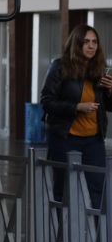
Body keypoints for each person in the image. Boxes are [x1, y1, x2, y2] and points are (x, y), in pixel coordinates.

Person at [40, 24, 112, 203]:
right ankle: (61, 231)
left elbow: (108, 107)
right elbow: (47, 102)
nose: (91, 46)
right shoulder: (59, 66)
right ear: (76, 44)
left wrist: (110, 91)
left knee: (98, 191)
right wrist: (76, 107)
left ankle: (95, 231)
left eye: (95, 42)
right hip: (65, 138)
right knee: (64, 191)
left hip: (94, 140)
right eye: (86, 41)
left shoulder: (100, 69)